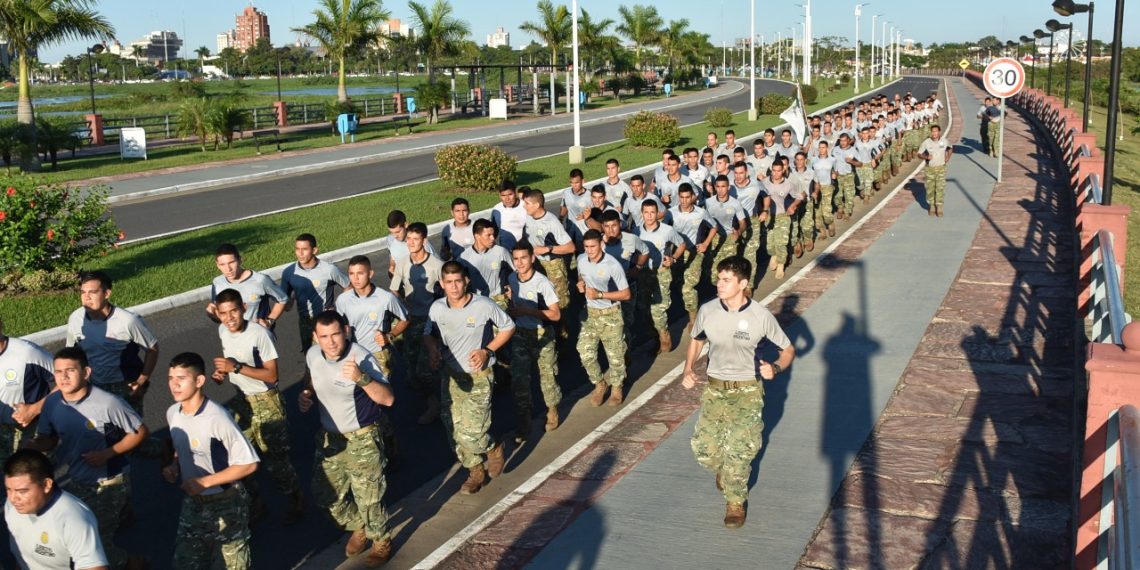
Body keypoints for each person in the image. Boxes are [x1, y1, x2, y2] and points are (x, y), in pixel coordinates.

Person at [682, 256, 795, 528]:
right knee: (704, 450)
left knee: (740, 452)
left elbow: (788, 350)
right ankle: (724, 470)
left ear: (743, 284)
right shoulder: (708, 310)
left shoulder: (760, 316)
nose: (719, 284)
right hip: (715, 390)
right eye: (719, 279)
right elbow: (696, 340)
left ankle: (735, 502)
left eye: (726, 280)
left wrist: (776, 368)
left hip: (747, 391)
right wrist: (688, 369)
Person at [27, 347, 148, 570]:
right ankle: (123, 514)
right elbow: (49, 440)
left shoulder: (108, 403)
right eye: (58, 372)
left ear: (86, 372)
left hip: (110, 480)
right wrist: (33, 445)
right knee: (74, 533)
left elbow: (140, 432)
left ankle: (134, 562)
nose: (63, 377)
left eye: (70, 370)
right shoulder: (52, 403)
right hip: (77, 479)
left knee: (92, 542)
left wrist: (107, 454)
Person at [300, 311, 396, 567]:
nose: (331, 342)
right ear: (315, 337)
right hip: (330, 439)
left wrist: (360, 378)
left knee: (369, 498)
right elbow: (312, 377)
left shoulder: (362, 357)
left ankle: (381, 539)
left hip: (362, 438)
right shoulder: (312, 354)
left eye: (335, 335)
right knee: (325, 497)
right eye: (324, 337)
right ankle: (359, 525)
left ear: (346, 331)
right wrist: (306, 392)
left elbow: (388, 399)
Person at [210, 289, 304, 524]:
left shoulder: (260, 334)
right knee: (237, 457)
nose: (230, 318)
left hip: (266, 400)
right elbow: (231, 360)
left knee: (276, 459)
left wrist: (236, 368)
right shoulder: (223, 331)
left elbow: (272, 375)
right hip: (241, 400)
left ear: (243, 308)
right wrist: (223, 372)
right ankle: (255, 502)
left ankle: (295, 499)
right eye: (223, 313)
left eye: (234, 311)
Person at [163, 352, 261, 570]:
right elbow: (181, 447)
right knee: (186, 563)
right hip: (193, 503)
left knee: (233, 566)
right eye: (171, 378)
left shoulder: (218, 418)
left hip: (227, 502)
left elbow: (249, 463)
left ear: (199, 381)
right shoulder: (173, 413)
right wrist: (174, 465)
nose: (174, 385)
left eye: (181, 378)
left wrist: (205, 482)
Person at [425, 262, 515, 494]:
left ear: (466, 281)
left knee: (473, 432)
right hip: (452, 378)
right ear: (442, 284)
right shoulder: (437, 308)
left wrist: (488, 351)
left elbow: (508, 327)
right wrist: (433, 349)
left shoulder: (483, 305)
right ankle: (475, 470)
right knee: (453, 429)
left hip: (479, 376)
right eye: (449, 282)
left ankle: (493, 447)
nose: (454, 287)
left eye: (458, 281)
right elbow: (429, 334)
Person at [336, 255, 408, 466]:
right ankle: (377, 443)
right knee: (363, 401)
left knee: (376, 401)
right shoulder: (343, 300)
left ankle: (388, 444)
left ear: (371, 273)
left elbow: (405, 319)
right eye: (351, 274)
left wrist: (389, 335)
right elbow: (339, 326)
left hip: (378, 356)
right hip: (353, 355)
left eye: (360, 273)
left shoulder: (385, 298)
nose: (356, 278)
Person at [66, 271, 159, 413]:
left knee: (131, 426)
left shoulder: (128, 321)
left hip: (124, 386)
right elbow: (71, 354)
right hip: (94, 386)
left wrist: (141, 381)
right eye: (83, 292)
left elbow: (152, 349)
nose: (86, 298)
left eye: (93, 292)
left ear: (107, 293)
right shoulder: (76, 319)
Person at [4, 449, 109, 570]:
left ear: (46, 485)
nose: (13, 498)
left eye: (22, 491)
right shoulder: (13, 505)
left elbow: (94, 567)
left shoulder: (73, 519)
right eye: (8, 489)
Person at [507, 243, 563, 441]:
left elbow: (555, 314)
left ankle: (552, 409)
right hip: (521, 333)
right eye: (516, 259)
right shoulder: (511, 278)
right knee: (519, 378)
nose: (519, 263)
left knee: (547, 376)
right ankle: (525, 419)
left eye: (523, 258)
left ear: (532, 258)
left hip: (542, 334)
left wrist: (528, 311)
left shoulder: (542, 283)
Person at [389, 222, 444, 425]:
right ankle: (428, 395)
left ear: (424, 241)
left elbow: (447, 293)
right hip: (410, 320)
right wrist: (403, 304)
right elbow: (394, 289)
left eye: (416, 239)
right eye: (409, 239)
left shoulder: (437, 265)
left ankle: (436, 405)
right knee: (410, 366)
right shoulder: (403, 262)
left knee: (424, 368)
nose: (411, 243)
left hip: (429, 321)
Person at [576, 230, 632, 407]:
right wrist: (580, 284)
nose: (589, 250)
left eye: (593, 246)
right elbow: (581, 276)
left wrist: (600, 294)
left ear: (601, 244)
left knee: (615, 356)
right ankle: (600, 383)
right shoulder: (581, 260)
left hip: (610, 314)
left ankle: (617, 386)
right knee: (585, 353)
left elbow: (626, 294)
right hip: (590, 315)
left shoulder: (612, 265)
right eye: (586, 247)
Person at [281, 233, 350, 352]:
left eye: (304, 249)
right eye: (297, 249)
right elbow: (287, 307)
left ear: (314, 250)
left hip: (325, 320)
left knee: (330, 353)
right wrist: (292, 297)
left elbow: (348, 286)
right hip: (305, 321)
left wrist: (339, 309)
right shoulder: (289, 272)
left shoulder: (329, 269)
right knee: (310, 355)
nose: (300, 253)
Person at [0, 317, 54, 464]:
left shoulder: (26, 352)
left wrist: (34, 409)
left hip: (31, 432)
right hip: (3, 435)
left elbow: (67, 383)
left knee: (31, 475)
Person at [637, 200, 685, 354]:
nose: (649, 216)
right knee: (644, 310)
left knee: (658, 310)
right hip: (644, 274)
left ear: (657, 214)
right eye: (646, 212)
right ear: (641, 214)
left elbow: (681, 244)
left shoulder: (667, 230)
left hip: (661, 273)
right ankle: (656, 338)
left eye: (652, 212)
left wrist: (673, 258)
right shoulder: (636, 231)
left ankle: (665, 339)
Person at [208, 244, 287, 332]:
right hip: (232, 336)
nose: (228, 269)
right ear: (217, 265)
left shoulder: (260, 280)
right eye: (222, 264)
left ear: (240, 260)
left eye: (231, 262)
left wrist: (269, 321)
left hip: (258, 335)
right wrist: (212, 315)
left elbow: (282, 299)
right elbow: (221, 315)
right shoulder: (217, 283)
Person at [522, 189, 575, 315]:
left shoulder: (551, 222)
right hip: (536, 263)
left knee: (560, 301)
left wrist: (547, 249)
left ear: (537, 205)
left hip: (553, 265)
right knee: (543, 297)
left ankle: (565, 325)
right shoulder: (529, 217)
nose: (524, 206)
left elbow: (570, 247)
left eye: (527, 203)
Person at [669, 183, 715, 324]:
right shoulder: (671, 213)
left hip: (695, 253)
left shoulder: (700, 213)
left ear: (693, 197)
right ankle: (686, 304)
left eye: (687, 197)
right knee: (678, 282)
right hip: (677, 253)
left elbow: (714, 227)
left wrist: (705, 243)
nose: (684, 201)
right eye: (681, 197)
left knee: (688, 287)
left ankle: (693, 318)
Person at [600, 210, 648, 347]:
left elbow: (645, 251)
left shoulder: (631, 239)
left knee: (626, 320)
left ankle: (627, 349)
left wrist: (638, 267)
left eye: (614, 226)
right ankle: (620, 350)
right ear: (602, 227)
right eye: (607, 226)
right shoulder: (598, 243)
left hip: (628, 286)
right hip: (607, 290)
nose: (610, 230)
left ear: (620, 224)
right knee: (612, 324)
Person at [703, 175, 748, 286]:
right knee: (713, 273)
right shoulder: (708, 202)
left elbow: (743, 222)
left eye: (723, 186)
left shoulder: (735, 203)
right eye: (718, 186)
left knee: (728, 269)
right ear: (715, 187)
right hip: (714, 238)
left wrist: (739, 232)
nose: (720, 190)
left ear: (728, 187)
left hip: (729, 237)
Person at [761, 161, 802, 280]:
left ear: (783, 170)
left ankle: (781, 265)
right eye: (774, 170)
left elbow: (799, 196)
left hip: (783, 216)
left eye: (778, 171)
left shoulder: (789, 184)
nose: (776, 173)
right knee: (770, 244)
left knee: (781, 243)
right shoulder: (764, 182)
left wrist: (793, 206)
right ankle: (774, 255)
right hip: (769, 217)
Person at [384, 210, 437, 277]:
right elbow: (393, 257)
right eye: (392, 232)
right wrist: (392, 267)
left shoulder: (418, 241)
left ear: (406, 225)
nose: (395, 236)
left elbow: (435, 265)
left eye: (398, 232)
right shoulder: (390, 240)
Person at [919, 124, 953, 217]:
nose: (934, 133)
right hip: (930, 169)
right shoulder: (926, 142)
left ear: (939, 132)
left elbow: (950, 148)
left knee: (940, 188)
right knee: (930, 188)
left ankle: (939, 206)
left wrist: (948, 157)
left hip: (941, 168)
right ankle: (932, 206)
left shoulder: (944, 141)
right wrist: (926, 157)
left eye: (936, 131)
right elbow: (919, 153)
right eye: (932, 131)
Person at [790, 151, 817, 255]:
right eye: (797, 160)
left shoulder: (811, 172)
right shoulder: (790, 173)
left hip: (807, 202)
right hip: (794, 203)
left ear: (805, 160)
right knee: (794, 226)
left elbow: (817, 183)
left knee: (806, 226)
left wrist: (815, 192)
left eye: (801, 160)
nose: (799, 162)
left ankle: (808, 238)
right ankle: (797, 243)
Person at [831, 133, 858, 225]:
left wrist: (852, 161)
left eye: (844, 140)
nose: (842, 142)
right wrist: (833, 172)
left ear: (848, 141)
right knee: (837, 196)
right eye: (841, 140)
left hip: (848, 176)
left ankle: (847, 213)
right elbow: (831, 162)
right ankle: (840, 208)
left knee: (849, 195)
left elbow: (860, 163)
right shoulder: (835, 150)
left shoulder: (853, 150)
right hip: (838, 176)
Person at [492, 182, 528, 250]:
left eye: (510, 194)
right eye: (503, 195)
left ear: (515, 193)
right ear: (499, 195)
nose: (507, 199)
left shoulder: (526, 206)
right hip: (507, 250)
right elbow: (493, 234)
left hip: (526, 249)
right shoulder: (497, 210)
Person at [561, 169, 594, 243]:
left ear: (583, 181)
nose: (574, 186)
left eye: (576, 183)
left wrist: (585, 217)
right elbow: (565, 206)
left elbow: (594, 214)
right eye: (571, 183)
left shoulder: (589, 196)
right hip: (570, 228)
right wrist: (560, 218)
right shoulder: (566, 193)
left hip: (584, 231)